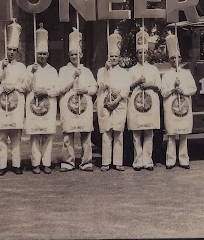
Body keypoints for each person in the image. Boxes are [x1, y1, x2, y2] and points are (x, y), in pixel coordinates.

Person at [0, 21, 27, 176]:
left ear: (17, 51)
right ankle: (2, 165)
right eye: (9, 49)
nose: (11, 52)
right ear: (6, 50)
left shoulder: (22, 67)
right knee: (2, 138)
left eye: (14, 50)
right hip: (1, 106)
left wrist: (14, 87)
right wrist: (1, 69)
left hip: (16, 106)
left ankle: (17, 164)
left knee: (16, 137)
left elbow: (25, 87)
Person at [57, 28, 97, 172]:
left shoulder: (86, 71)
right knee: (68, 135)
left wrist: (85, 90)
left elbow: (95, 87)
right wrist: (72, 77)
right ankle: (68, 161)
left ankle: (86, 161)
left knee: (86, 134)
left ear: (81, 54)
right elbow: (60, 89)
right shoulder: (63, 70)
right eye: (72, 54)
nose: (75, 57)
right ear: (69, 55)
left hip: (84, 108)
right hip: (69, 108)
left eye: (77, 54)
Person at [24, 24, 60, 174]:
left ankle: (46, 162)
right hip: (34, 107)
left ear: (48, 55)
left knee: (47, 135)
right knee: (34, 135)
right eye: (40, 54)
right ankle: (35, 163)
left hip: (48, 106)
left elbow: (57, 89)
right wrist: (31, 74)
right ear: (36, 55)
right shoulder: (30, 69)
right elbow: (25, 87)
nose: (42, 57)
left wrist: (45, 92)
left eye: (45, 54)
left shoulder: (52, 70)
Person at [160, 32, 197, 169]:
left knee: (183, 134)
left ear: (180, 59)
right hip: (170, 106)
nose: (174, 60)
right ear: (169, 60)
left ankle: (183, 159)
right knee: (171, 134)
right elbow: (163, 92)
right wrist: (172, 90)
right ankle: (170, 160)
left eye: (176, 58)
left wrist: (183, 91)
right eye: (172, 58)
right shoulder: (166, 76)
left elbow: (193, 89)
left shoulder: (186, 74)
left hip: (184, 107)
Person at [127, 27, 161, 171]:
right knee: (136, 133)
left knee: (148, 132)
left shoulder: (153, 69)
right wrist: (137, 82)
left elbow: (159, 86)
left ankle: (148, 160)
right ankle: (137, 160)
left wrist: (149, 84)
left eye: (145, 52)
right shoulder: (132, 70)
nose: (142, 55)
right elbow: (127, 87)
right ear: (136, 54)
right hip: (135, 104)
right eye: (140, 52)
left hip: (150, 103)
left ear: (148, 54)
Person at [96, 31, 130, 171]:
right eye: (111, 56)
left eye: (116, 56)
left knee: (118, 133)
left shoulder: (124, 72)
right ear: (108, 57)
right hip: (105, 104)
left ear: (119, 57)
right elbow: (101, 85)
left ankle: (117, 162)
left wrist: (116, 100)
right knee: (106, 132)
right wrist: (106, 70)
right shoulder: (101, 71)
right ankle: (106, 162)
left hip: (119, 104)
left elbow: (126, 89)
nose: (114, 58)